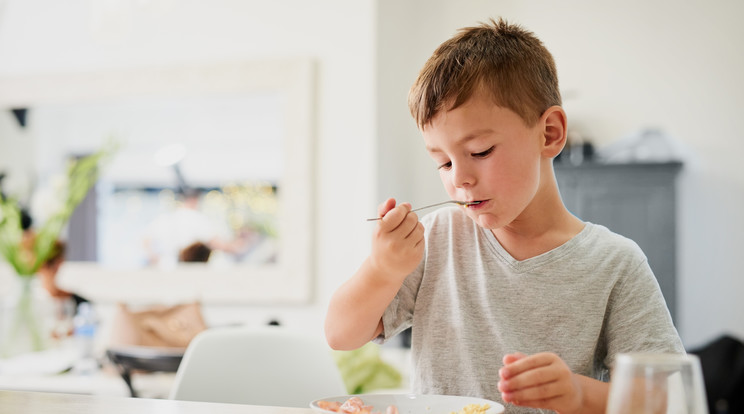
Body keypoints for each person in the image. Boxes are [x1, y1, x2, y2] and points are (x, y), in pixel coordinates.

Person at [324, 18, 684, 414]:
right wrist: (382, 269)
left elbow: (666, 399)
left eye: (479, 151)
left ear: (549, 133)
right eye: (442, 163)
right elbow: (340, 334)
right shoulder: (437, 238)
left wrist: (580, 395)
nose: (459, 177)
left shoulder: (615, 263)